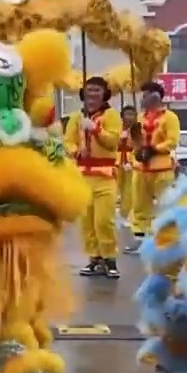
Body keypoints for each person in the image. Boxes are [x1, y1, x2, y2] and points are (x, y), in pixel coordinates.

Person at [64, 76, 123, 279]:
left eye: (97, 90)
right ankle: (94, 258)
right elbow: (68, 141)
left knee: (103, 220)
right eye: (89, 90)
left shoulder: (112, 116)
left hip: (105, 175)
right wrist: (75, 151)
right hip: (82, 175)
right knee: (87, 222)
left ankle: (109, 258)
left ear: (104, 94)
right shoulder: (75, 117)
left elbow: (113, 142)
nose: (92, 94)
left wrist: (96, 129)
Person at [130, 81, 180, 241]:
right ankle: (140, 237)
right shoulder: (139, 117)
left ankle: (167, 237)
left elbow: (172, 140)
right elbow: (135, 142)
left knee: (166, 204)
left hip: (162, 169)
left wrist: (154, 149)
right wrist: (136, 148)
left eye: (144, 95)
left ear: (155, 97)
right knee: (139, 205)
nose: (141, 99)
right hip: (141, 169)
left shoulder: (170, 117)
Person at [118, 105, 140, 254]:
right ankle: (118, 213)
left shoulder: (138, 129)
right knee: (116, 188)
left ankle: (126, 214)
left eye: (132, 114)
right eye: (127, 114)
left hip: (131, 162)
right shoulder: (117, 127)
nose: (130, 117)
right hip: (117, 161)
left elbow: (138, 146)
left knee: (129, 191)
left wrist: (131, 162)